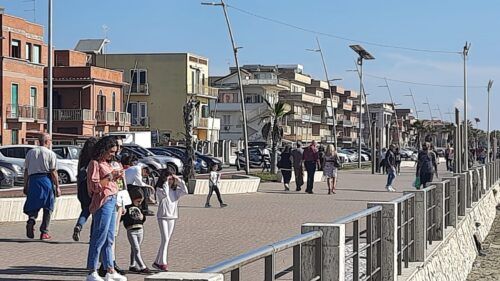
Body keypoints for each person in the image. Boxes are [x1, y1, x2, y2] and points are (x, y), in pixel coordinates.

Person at [85, 136, 126, 281]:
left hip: (112, 198)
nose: (113, 154)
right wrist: (110, 177)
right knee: (99, 237)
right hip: (103, 202)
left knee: (109, 238)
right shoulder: (95, 163)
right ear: (103, 150)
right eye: (111, 151)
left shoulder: (107, 163)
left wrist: (117, 176)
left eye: (114, 152)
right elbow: (94, 186)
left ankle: (110, 270)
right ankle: (91, 270)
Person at [23, 133, 60, 240]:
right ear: (46, 141)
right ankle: (44, 232)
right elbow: (53, 171)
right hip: (46, 180)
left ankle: (31, 219)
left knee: (33, 204)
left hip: (33, 181)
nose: (50, 143)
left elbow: (26, 171)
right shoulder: (50, 154)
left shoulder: (30, 153)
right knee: (48, 206)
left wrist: (25, 185)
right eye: (50, 141)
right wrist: (57, 186)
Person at [153, 170, 189, 271]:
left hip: (172, 216)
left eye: (172, 179)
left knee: (167, 240)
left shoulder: (175, 191)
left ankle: (157, 261)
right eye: (169, 179)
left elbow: (185, 191)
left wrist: (179, 180)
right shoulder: (160, 189)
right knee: (164, 239)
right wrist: (165, 181)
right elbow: (164, 194)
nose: (170, 181)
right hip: (163, 216)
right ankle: (163, 263)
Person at [73, 137, 98, 242]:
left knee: (86, 209)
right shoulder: (95, 159)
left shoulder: (82, 157)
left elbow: (79, 173)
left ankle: (79, 224)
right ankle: (92, 236)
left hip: (82, 187)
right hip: (91, 186)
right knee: (95, 212)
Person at [122, 187, 150, 274]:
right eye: (138, 201)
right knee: (136, 249)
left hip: (140, 229)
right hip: (131, 230)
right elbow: (122, 217)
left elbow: (142, 217)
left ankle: (132, 265)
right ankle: (142, 266)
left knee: (134, 249)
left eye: (140, 201)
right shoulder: (127, 207)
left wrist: (143, 217)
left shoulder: (139, 207)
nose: (139, 203)